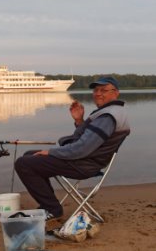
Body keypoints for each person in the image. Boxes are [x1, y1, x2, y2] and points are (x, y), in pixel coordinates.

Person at [15, 76, 130, 221]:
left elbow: (81, 148)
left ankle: (52, 209)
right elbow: (89, 142)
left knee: (23, 163)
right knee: (30, 155)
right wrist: (79, 121)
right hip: (88, 160)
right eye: (96, 90)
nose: (98, 93)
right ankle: (48, 204)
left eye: (103, 90)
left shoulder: (107, 117)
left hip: (82, 164)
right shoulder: (114, 111)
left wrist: (51, 152)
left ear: (116, 93)